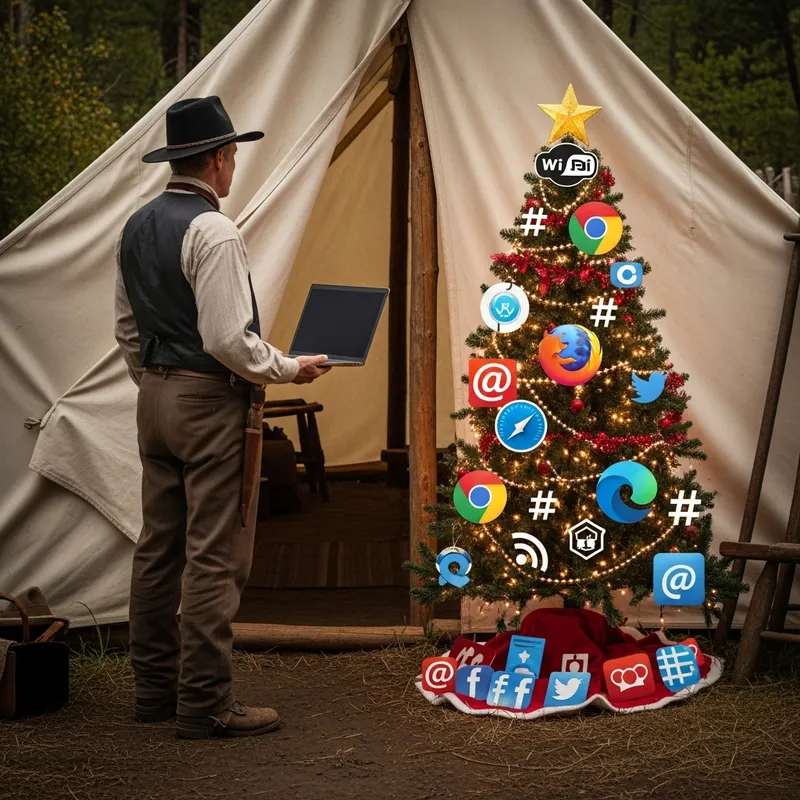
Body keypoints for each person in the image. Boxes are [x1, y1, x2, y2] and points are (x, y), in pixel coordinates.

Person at [114, 96, 330, 740]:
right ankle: (204, 704)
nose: (234, 166)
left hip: (153, 396)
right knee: (213, 557)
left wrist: (156, 384)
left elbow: (127, 328)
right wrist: (290, 368)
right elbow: (228, 339)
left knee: (158, 549)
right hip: (207, 401)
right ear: (215, 158)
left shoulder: (135, 226)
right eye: (233, 154)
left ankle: (154, 691)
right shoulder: (213, 230)